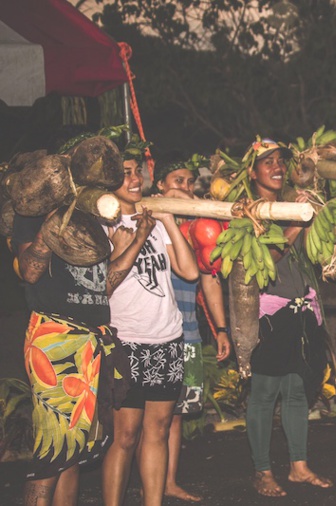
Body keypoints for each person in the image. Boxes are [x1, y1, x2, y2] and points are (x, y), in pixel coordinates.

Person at [13, 144, 128, 506]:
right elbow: (29, 272)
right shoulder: (30, 214)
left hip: (92, 341)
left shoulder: (91, 215)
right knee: (52, 452)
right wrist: (51, 225)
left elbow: (100, 287)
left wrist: (136, 240)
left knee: (75, 451)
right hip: (56, 339)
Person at [101, 155, 200, 506]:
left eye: (136, 172)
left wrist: (168, 220)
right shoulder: (103, 223)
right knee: (125, 435)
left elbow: (189, 272)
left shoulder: (155, 220)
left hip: (167, 339)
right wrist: (127, 242)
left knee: (157, 431)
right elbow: (105, 285)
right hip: (126, 341)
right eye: (124, 173)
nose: (133, 179)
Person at [244, 138, 332, 497]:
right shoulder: (245, 211)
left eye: (281, 161)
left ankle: (298, 466)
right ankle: (262, 471)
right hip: (270, 313)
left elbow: (313, 254)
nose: (277, 167)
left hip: (302, 308)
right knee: (264, 392)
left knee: (298, 389)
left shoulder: (290, 204)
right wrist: (296, 224)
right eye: (268, 163)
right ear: (252, 172)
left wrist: (312, 217)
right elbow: (267, 261)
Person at [150, 160, 232, 502]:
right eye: (176, 180)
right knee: (147, 416)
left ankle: (168, 482)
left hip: (188, 333)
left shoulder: (200, 227)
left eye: (188, 181)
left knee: (177, 414)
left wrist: (222, 328)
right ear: (158, 186)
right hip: (149, 334)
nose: (184, 186)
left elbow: (209, 280)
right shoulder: (149, 222)